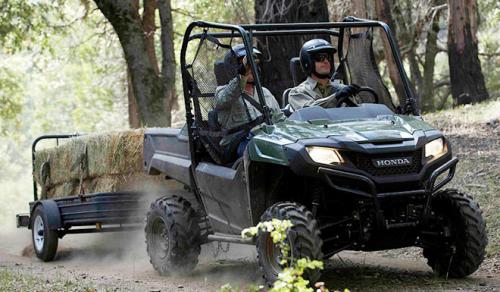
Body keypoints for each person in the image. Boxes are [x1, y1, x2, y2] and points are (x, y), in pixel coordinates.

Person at [215, 44, 283, 160]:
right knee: (257, 147)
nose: (251, 68)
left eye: (254, 64)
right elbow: (228, 96)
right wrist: (243, 72)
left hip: (268, 139)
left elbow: (280, 119)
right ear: (233, 68)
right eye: (246, 64)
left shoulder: (264, 92)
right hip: (238, 143)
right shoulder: (222, 91)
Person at [288, 39, 361, 111]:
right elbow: (309, 111)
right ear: (308, 62)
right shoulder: (297, 93)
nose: (326, 61)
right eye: (320, 58)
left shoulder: (343, 89)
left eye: (328, 57)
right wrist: (336, 97)